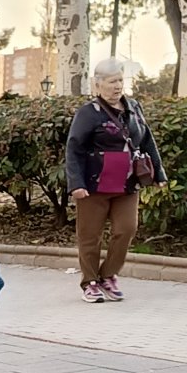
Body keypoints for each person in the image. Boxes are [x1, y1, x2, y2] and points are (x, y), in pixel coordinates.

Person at [66, 56, 165, 300]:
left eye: (120, 80)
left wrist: (159, 173)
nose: (117, 86)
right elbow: (74, 149)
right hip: (94, 184)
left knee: (127, 229)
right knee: (90, 236)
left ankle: (108, 274)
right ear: (98, 84)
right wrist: (76, 184)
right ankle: (90, 282)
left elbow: (147, 141)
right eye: (111, 82)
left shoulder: (134, 107)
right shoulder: (88, 113)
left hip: (127, 183)